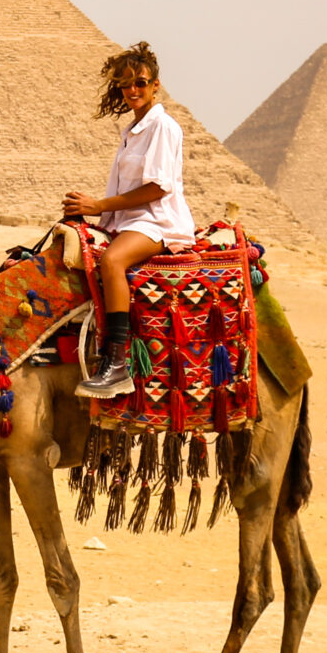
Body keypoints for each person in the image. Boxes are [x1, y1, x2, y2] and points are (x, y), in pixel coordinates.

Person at [62, 41, 195, 399]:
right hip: (128, 220)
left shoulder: (163, 128)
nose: (132, 90)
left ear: (156, 85)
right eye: (124, 84)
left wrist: (98, 204)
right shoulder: (133, 130)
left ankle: (117, 363)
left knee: (112, 260)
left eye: (140, 82)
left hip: (157, 222)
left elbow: (156, 189)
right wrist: (87, 209)